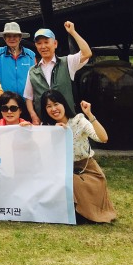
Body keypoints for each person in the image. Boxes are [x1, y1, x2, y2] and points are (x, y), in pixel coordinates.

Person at [41, 90, 116, 223]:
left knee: (73, 182)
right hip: (62, 170)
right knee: (66, 180)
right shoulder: (46, 127)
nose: (53, 109)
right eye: (48, 106)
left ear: (64, 104)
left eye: (56, 104)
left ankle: (86, 213)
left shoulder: (78, 121)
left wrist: (89, 114)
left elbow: (103, 138)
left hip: (86, 169)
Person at [23, 21, 93, 124]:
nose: (43, 46)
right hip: (46, 124)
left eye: (46, 42)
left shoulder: (67, 62)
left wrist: (72, 32)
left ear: (55, 44)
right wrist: (33, 115)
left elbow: (87, 53)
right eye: (39, 43)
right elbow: (29, 97)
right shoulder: (32, 71)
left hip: (68, 121)